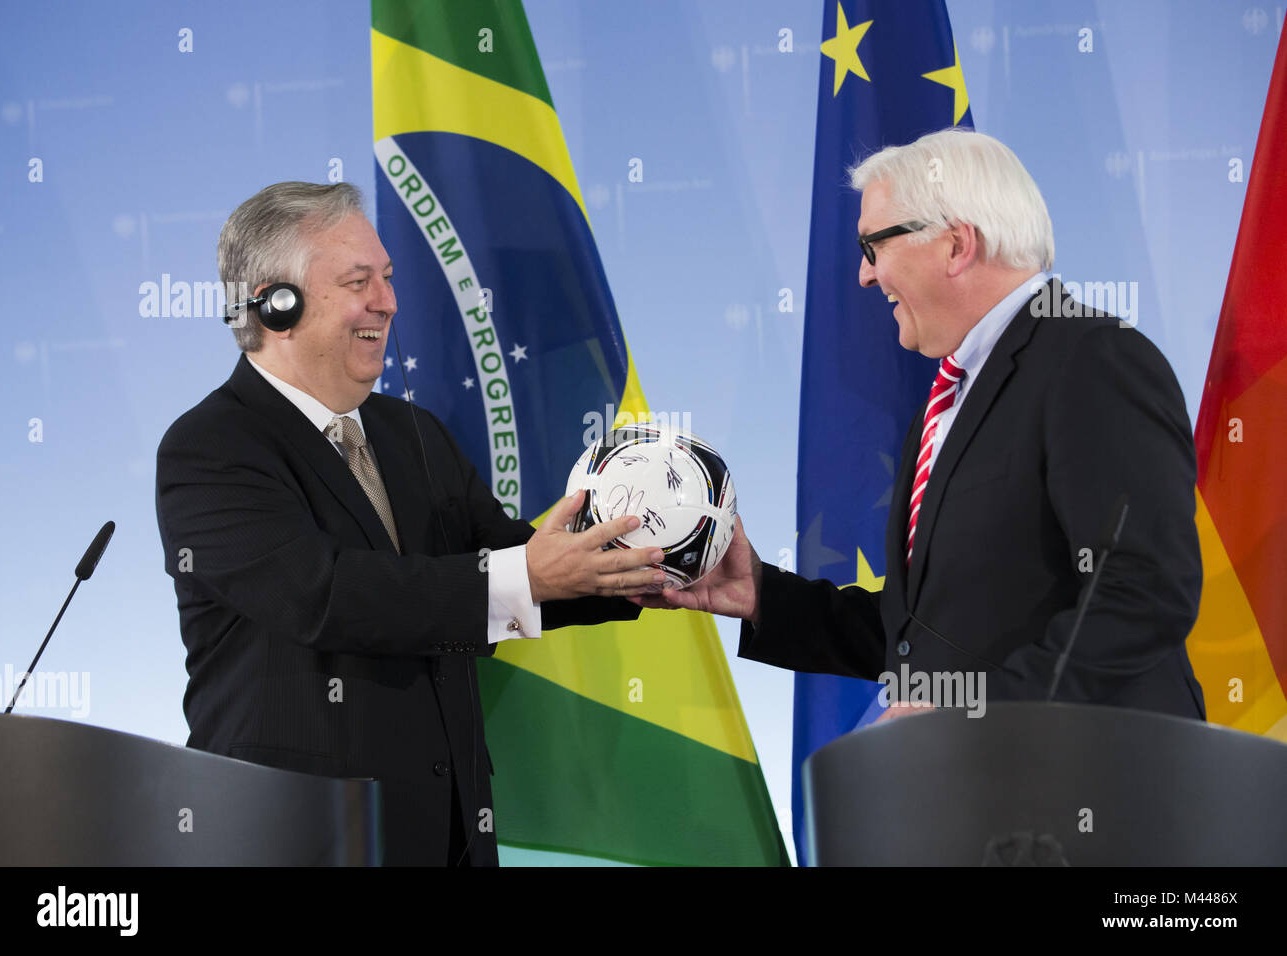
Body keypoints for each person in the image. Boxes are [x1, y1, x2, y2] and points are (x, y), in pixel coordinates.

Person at [155, 182, 663, 865]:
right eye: (359, 281)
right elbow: (326, 594)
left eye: (388, 279)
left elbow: (514, 560)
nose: (388, 302)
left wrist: (639, 565)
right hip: (299, 839)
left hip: (451, 838)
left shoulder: (416, 432)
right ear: (277, 305)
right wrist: (527, 573)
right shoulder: (210, 446)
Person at [638, 128, 1205, 720]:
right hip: (984, 794)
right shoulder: (948, 403)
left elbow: (1142, 593)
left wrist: (974, 719)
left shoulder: (1093, 359)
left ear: (955, 245)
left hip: (1100, 791)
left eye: (872, 248)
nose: (864, 276)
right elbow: (924, 638)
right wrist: (760, 595)